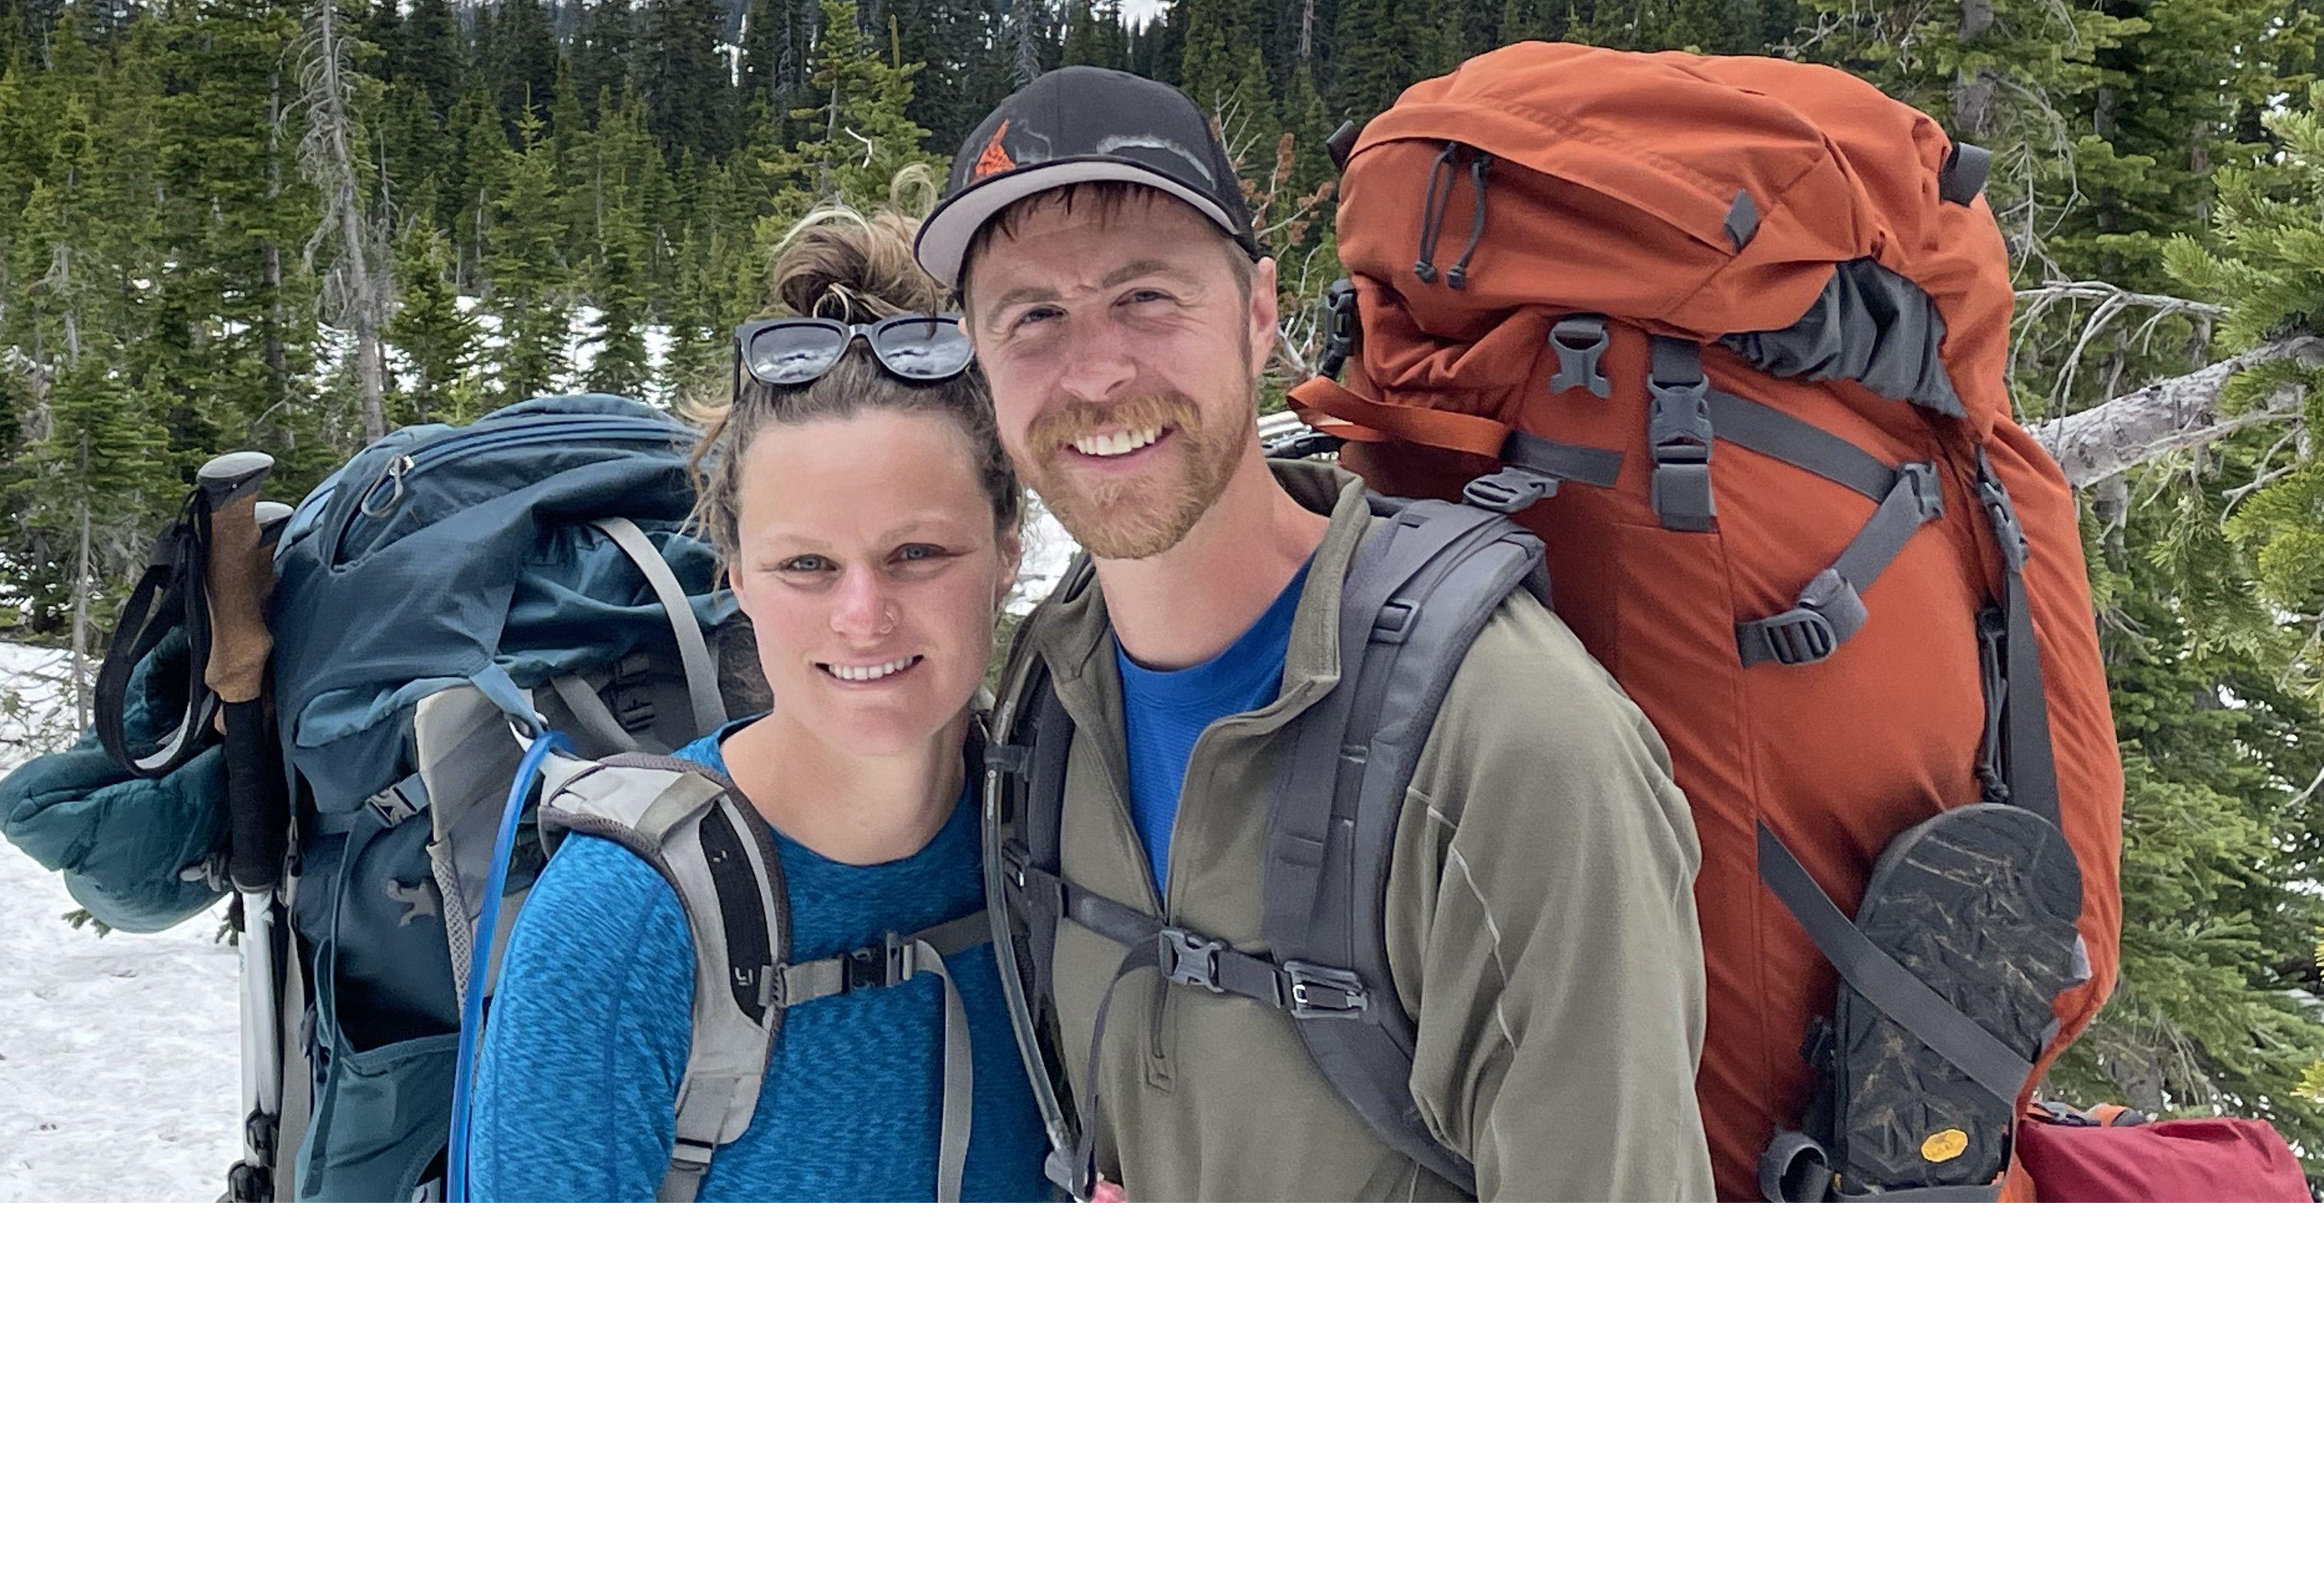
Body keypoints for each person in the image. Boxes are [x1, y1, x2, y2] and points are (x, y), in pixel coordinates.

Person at [918, 66, 1714, 1202]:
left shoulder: (1511, 746)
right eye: (1034, 316)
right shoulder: (1052, 691)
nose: (1094, 371)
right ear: (980, 359)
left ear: (1257, 315)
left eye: (1147, 298)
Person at [467, 202, 1053, 1202]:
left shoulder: (1057, 843)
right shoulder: (620, 930)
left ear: (1007, 549)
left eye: (917, 552)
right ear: (735, 574)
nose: (864, 616)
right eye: (807, 565)